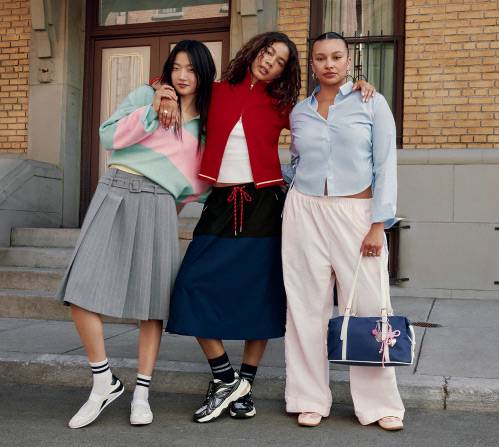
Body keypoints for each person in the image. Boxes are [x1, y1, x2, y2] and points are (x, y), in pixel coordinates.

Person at [161, 32, 375, 424]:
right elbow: (177, 84)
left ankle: (245, 383)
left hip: (263, 204)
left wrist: (358, 87)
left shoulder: (284, 106)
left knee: (259, 295)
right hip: (220, 205)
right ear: (253, 52)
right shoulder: (216, 91)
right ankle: (227, 379)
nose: (269, 63)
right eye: (267, 53)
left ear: (284, 72)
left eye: (279, 62)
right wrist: (162, 93)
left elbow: (324, 111)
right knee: (190, 285)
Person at [57, 40, 215, 429]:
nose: (182, 76)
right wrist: (152, 111)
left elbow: (198, 185)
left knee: (152, 304)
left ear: (204, 74)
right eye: (177, 67)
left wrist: (169, 206)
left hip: (160, 202)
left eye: (191, 69)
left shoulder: (205, 127)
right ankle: (103, 382)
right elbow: (108, 136)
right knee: (79, 289)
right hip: (115, 189)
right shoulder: (146, 95)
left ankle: (142, 392)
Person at [281, 32, 404, 431]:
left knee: (369, 307)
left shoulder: (372, 102)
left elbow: (385, 166)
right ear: (312, 64)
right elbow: (297, 162)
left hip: (357, 214)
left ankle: (379, 405)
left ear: (348, 61)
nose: (329, 64)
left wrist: (378, 224)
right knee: (305, 308)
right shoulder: (300, 112)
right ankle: (308, 398)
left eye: (336, 56)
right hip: (304, 212)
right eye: (321, 58)